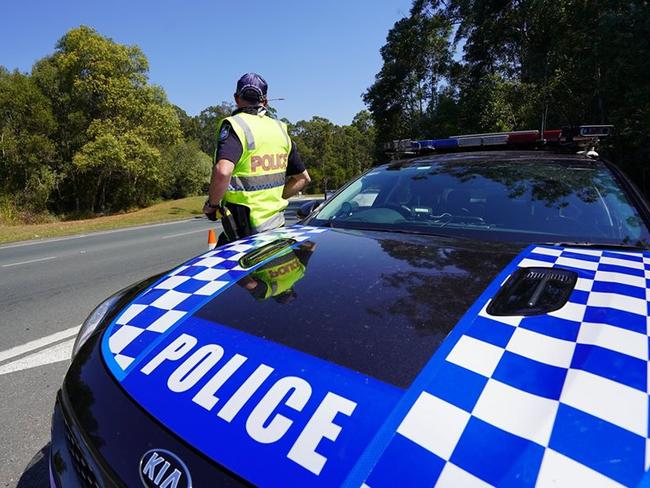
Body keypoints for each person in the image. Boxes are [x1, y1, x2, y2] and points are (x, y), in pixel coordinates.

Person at [203, 73, 311, 244]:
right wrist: (275, 198)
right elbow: (303, 179)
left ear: (237, 98)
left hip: (245, 234)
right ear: (265, 102)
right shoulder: (280, 129)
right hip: (277, 229)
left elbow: (223, 172)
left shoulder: (235, 126)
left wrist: (212, 205)